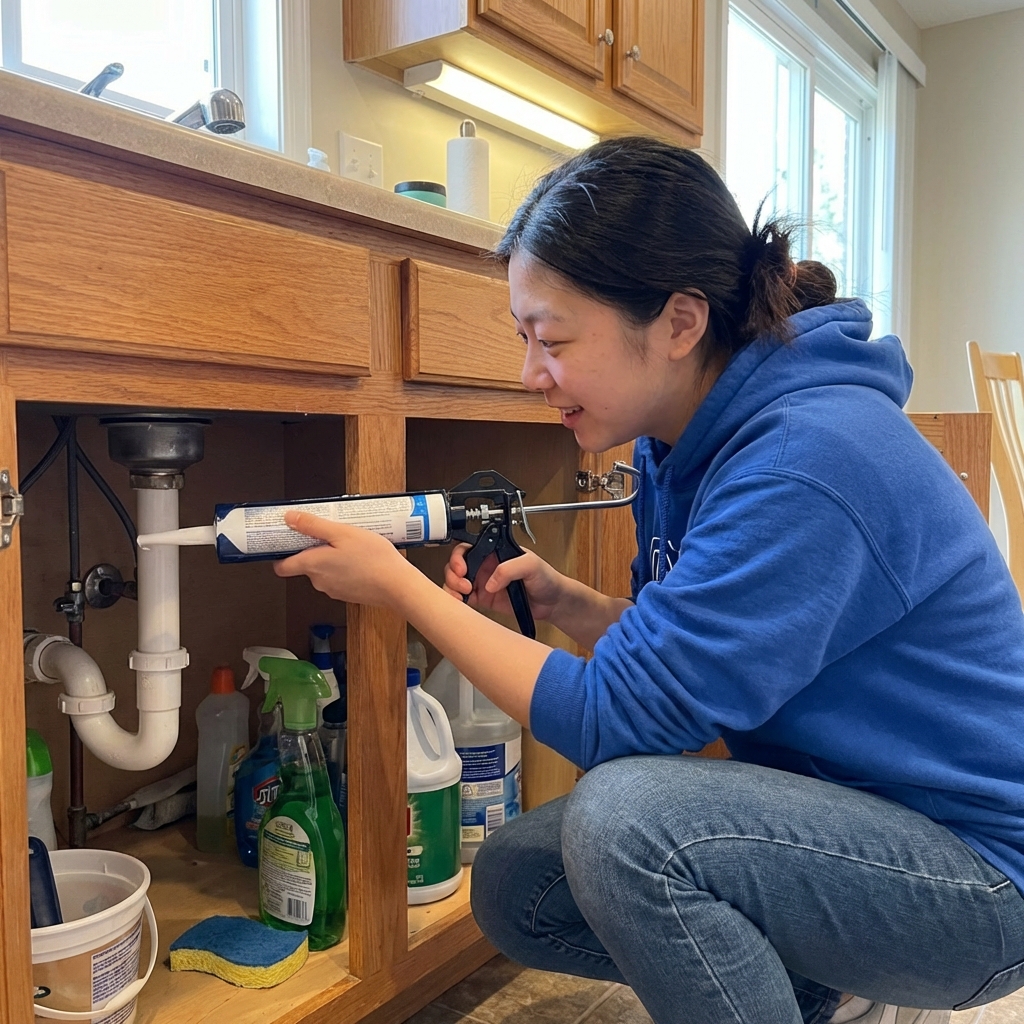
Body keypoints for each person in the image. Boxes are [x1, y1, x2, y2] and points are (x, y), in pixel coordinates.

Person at [274, 137, 1024, 1024]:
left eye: (551, 339)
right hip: (855, 817)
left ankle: (863, 977)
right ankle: (815, 992)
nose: (529, 374)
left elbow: (616, 724)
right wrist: (566, 603)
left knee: (626, 822)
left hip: (979, 886)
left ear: (678, 322)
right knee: (519, 882)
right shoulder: (675, 448)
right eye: (524, 337)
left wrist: (399, 588)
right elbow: (687, 656)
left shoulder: (804, 462)